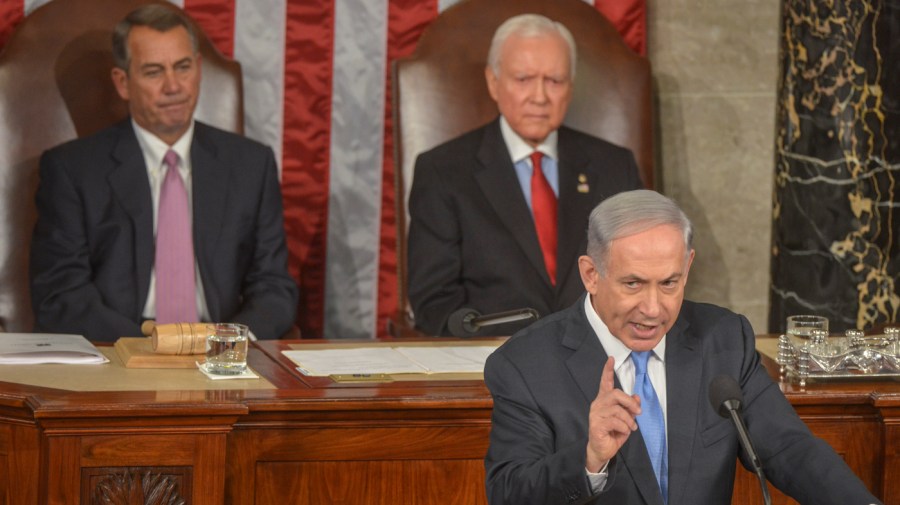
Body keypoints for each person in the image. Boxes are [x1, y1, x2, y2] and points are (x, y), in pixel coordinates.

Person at [484, 190, 881, 504]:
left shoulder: (724, 339)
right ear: (591, 274)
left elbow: (789, 450)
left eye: (670, 283)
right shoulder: (525, 364)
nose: (654, 308)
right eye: (633, 284)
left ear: (687, 267)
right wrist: (589, 459)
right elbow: (508, 493)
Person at [29, 5, 298, 342]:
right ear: (123, 83)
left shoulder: (251, 165)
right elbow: (61, 295)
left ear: (198, 70)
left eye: (183, 67)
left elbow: (273, 286)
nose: (173, 86)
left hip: (222, 356)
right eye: (154, 72)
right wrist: (153, 348)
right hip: (118, 353)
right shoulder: (72, 170)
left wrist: (228, 342)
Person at [406, 14, 644, 336]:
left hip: (600, 356)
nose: (540, 97)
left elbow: (639, 274)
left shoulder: (614, 166)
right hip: (493, 360)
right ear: (493, 82)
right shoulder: (443, 171)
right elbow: (434, 300)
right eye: (523, 79)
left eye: (554, 81)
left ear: (570, 88)